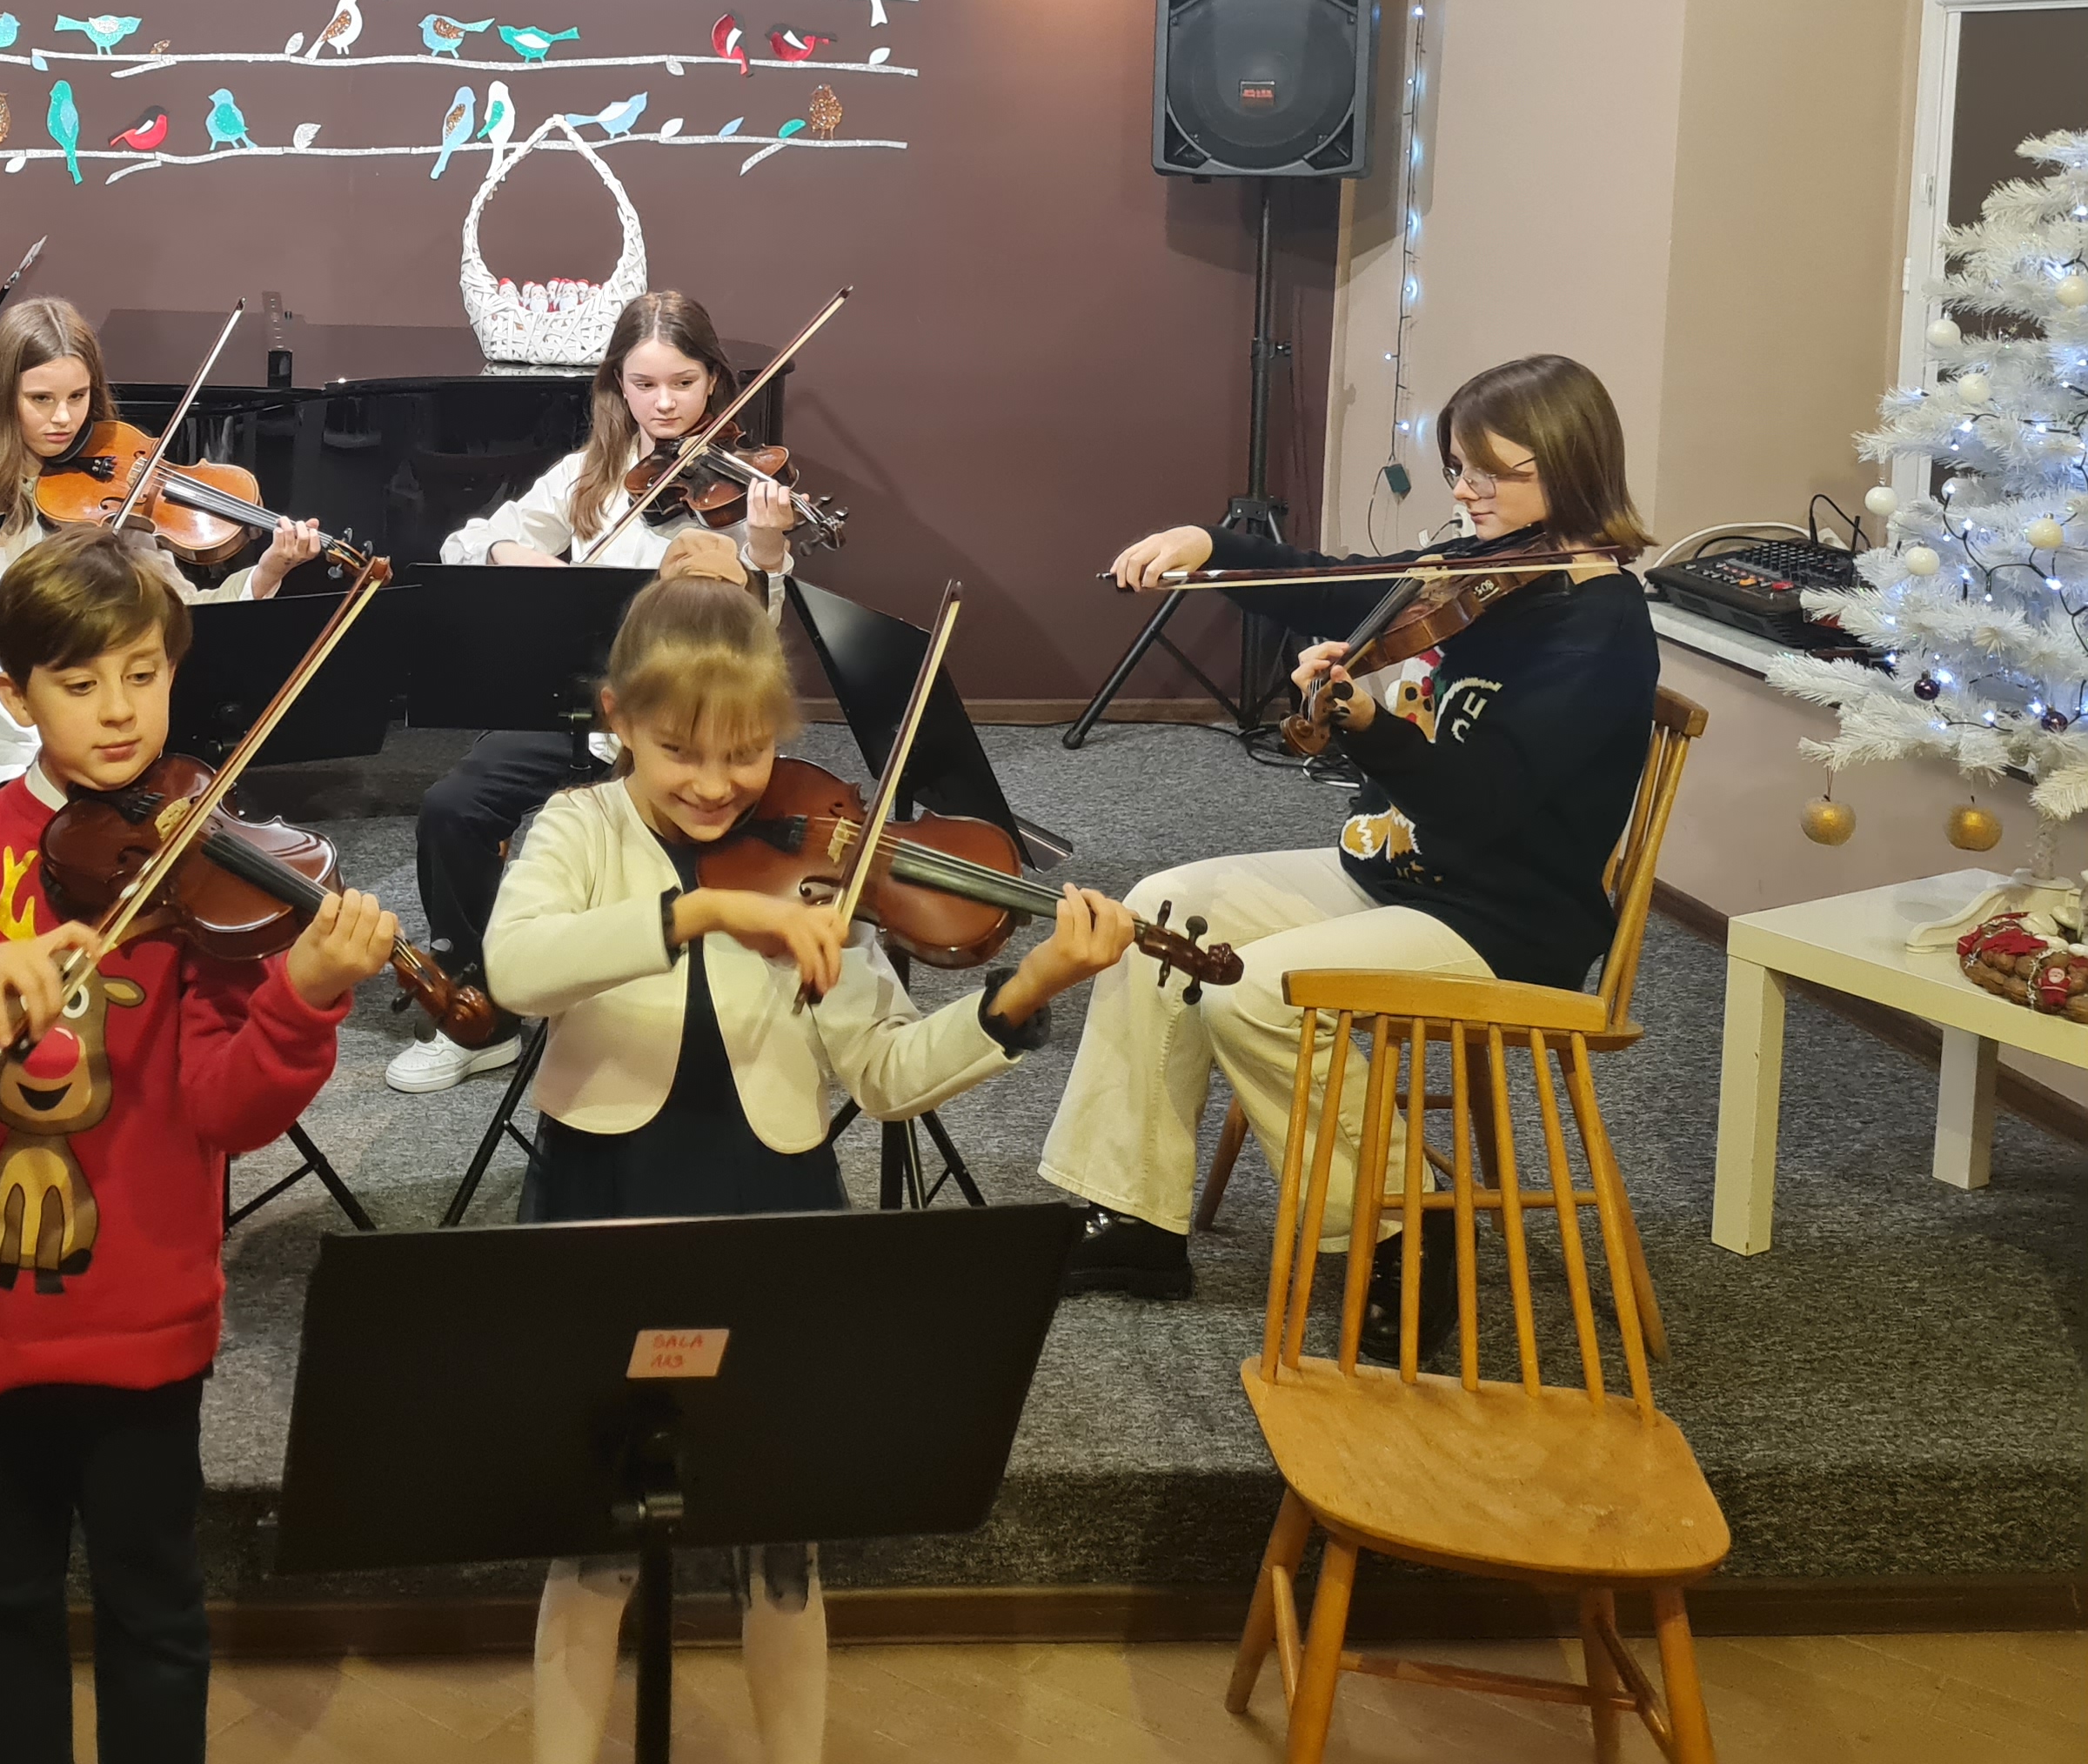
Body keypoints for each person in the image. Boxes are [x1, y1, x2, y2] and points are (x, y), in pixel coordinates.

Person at [0, 526, 398, 1764]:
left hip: (146, 1320)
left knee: (153, 1607)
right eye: (79, 681)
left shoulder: (207, 869)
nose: (119, 710)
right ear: (16, 697)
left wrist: (303, 997)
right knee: (2, 1599)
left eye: (143, 674)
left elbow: (228, 1111)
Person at [483, 573, 1134, 1764]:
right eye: (678, 750)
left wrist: (1024, 992)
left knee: (783, 1544)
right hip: (603, 1207)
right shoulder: (580, 828)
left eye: (746, 752)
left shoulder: (819, 862)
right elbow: (516, 971)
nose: (715, 783)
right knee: (593, 1545)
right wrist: (699, 914)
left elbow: (883, 1073)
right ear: (618, 719)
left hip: (771, 1210)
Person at [1039, 351, 1658, 1363]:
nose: (1466, 492)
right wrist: (1214, 544)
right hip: (1397, 874)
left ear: (1570, 466)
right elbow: (1336, 588)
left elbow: (1484, 804)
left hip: (1503, 918)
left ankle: (1408, 1231)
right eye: (1459, 467)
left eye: (1494, 472)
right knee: (1158, 915)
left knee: (1260, 996)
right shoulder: (1478, 569)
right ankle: (1137, 1218)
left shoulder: (1597, 629)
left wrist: (1370, 724)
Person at [389, 291, 801, 1094]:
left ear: (715, 381)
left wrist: (765, 550)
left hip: (684, 732)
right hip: (582, 708)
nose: (664, 403)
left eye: (683, 383)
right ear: (618, 385)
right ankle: (479, 1011)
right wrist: (514, 555)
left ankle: (678, 1009)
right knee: (452, 808)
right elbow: (466, 541)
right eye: (643, 384)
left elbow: (758, 637)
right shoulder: (592, 475)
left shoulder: (741, 491)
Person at [0, 296, 324, 801]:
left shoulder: (118, 488)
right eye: (40, 399)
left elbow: (180, 611)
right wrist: (46, 583)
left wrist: (266, 572)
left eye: (78, 396)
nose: (63, 418)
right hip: (5, 744)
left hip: (116, 739)